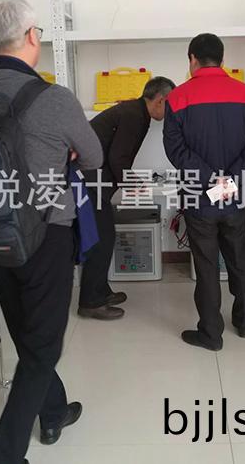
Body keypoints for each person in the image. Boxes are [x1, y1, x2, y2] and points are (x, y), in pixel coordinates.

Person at [0, 0, 102, 464]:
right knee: (43, 346)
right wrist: (64, 152)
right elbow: (94, 156)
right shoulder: (55, 98)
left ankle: (54, 409)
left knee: (26, 329)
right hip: (46, 234)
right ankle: (4, 456)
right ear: (31, 37)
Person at [163, 33, 245, 351]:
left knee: (206, 266)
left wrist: (211, 179)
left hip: (199, 198)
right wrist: (231, 180)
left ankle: (211, 334)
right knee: (240, 260)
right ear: (223, 60)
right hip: (235, 196)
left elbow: (176, 150)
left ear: (192, 59)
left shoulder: (177, 98)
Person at [79, 76, 176, 320]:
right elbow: (118, 157)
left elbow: (118, 156)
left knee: (104, 236)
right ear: (160, 100)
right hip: (89, 181)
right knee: (101, 239)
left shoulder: (136, 111)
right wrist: (132, 183)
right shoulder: (134, 115)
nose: (171, 111)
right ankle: (90, 302)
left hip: (94, 179)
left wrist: (131, 181)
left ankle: (101, 291)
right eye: (170, 104)